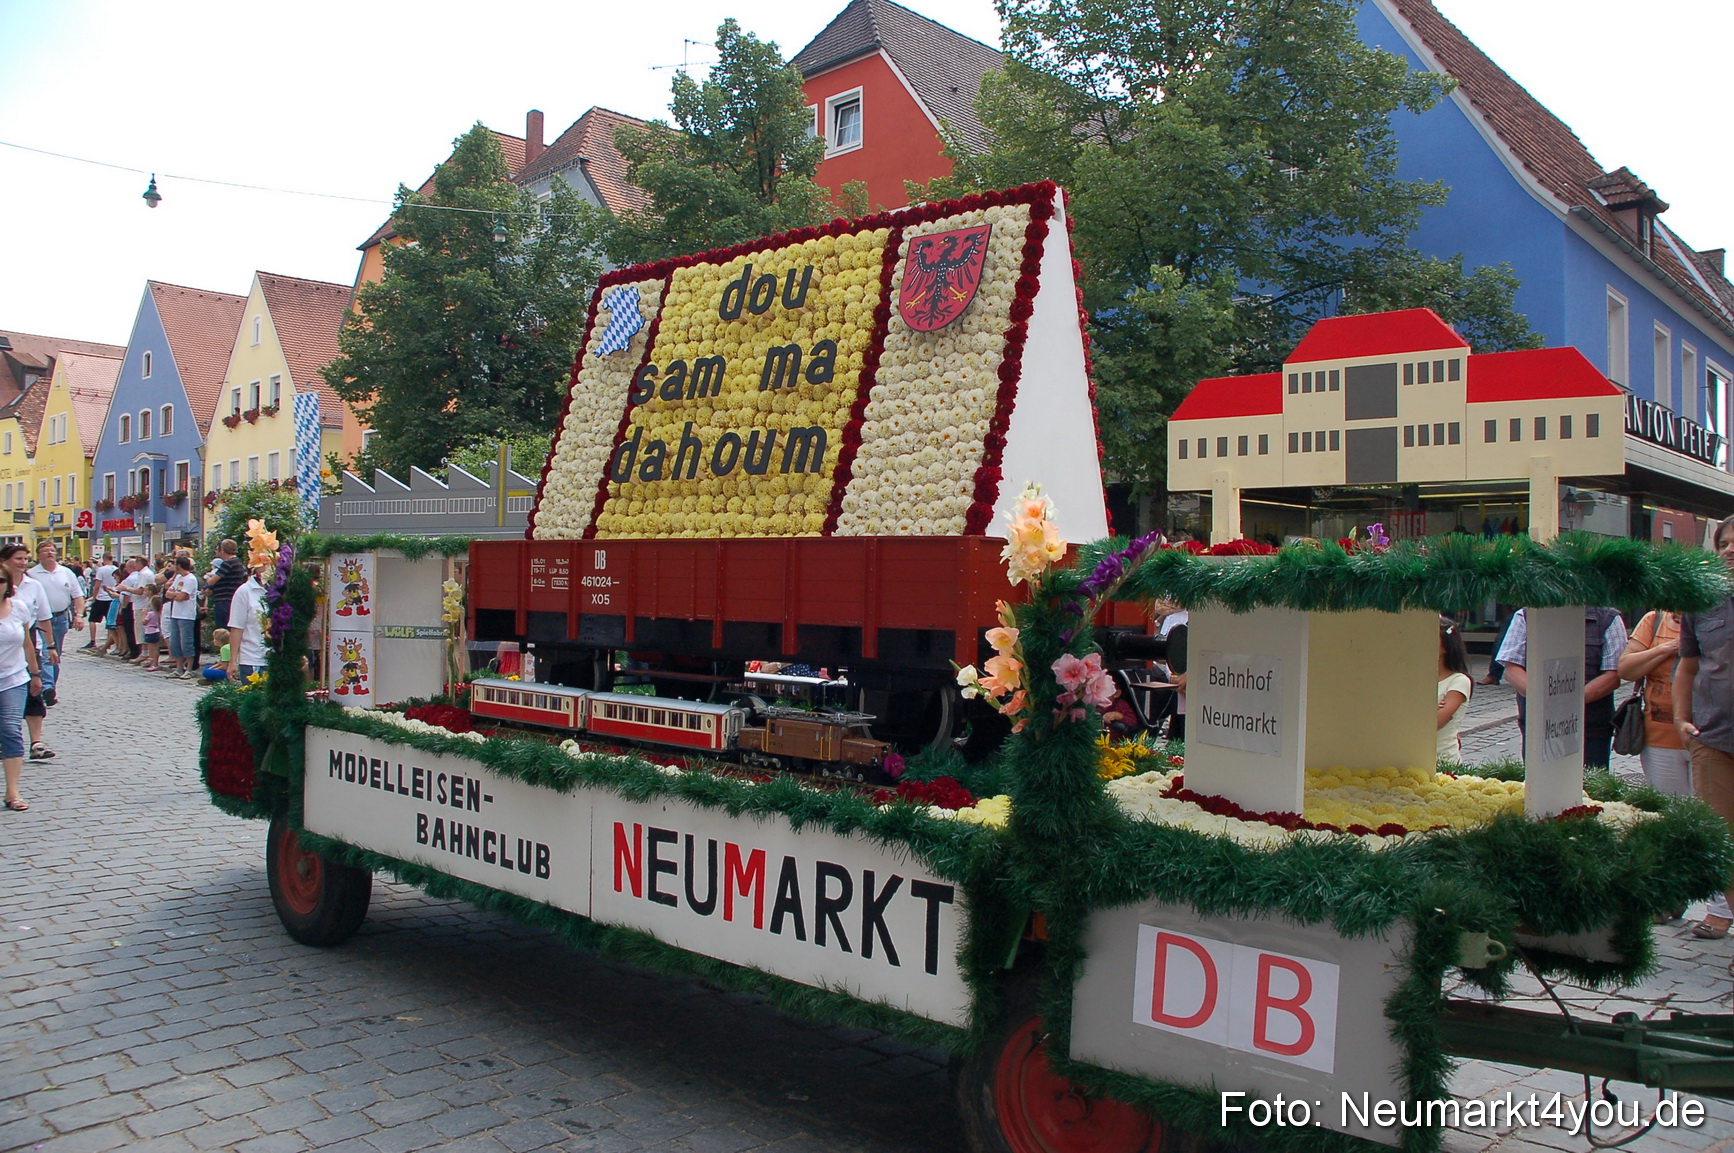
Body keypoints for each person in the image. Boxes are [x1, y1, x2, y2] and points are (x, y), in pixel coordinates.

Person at [1673, 516, 1734, 947]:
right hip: (1714, 739)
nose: (1729, 549)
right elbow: (1688, 666)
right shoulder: (1702, 600)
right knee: (1723, 844)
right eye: (1724, 542)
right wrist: (1681, 719)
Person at [1495, 604, 1627, 767]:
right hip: (1539, 724)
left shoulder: (1608, 619)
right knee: (1539, 784)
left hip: (1590, 726)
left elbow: (1613, 675)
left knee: (1590, 785)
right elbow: (1512, 669)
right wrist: (1545, 699)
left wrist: (1569, 701)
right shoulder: (1527, 615)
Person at [1, 545, 56, 761]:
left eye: (25, 558)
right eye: (18, 558)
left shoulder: (34, 585)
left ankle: (36, 742)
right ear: (5, 561)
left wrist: (50, 645)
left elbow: (44, 616)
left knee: (34, 693)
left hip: (26, 639)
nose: (23, 563)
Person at [0, 565, 45, 811]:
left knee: (10, 729)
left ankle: (12, 791)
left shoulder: (18, 608)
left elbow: (27, 644)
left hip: (12, 678)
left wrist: (35, 673)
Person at [27, 541, 84, 706]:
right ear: (39, 555)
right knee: (46, 652)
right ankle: (47, 688)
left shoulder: (66, 573)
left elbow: (77, 596)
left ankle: (50, 685)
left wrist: (78, 615)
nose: (49, 553)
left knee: (55, 654)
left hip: (60, 618)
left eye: (52, 550)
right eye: (45, 551)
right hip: (39, 620)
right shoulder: (32, 574)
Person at [1437, 617, 1473, 764]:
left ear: (1445, 647)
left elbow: (1437, 721)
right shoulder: (1418, 679)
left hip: (1443, 760)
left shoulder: (1459, 681)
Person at [227, 564, 269, 682]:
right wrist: (232, 661)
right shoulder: (244, 591)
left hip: (276, 658)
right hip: (252, 658)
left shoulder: (280, 590)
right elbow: (236, 628)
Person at [163, 555, 199, 678]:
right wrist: (175, 594)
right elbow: (168, 592)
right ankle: (179, 668)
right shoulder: (178, 577)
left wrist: (175, 595)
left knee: (186, 642)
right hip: (176, 613)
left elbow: (183, 596)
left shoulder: (190, 579)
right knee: (175, 642)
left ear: (179, 566)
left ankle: (189, 668)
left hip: (186, 615)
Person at [140, 596, 163, 672]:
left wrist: (143, 614)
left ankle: (154, 663)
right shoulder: (158, 613)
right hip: (156, 630)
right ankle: (155, 663)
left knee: (152, 649)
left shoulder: (150, 614)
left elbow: (144, 622)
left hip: (150, 632)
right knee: (156, 648)